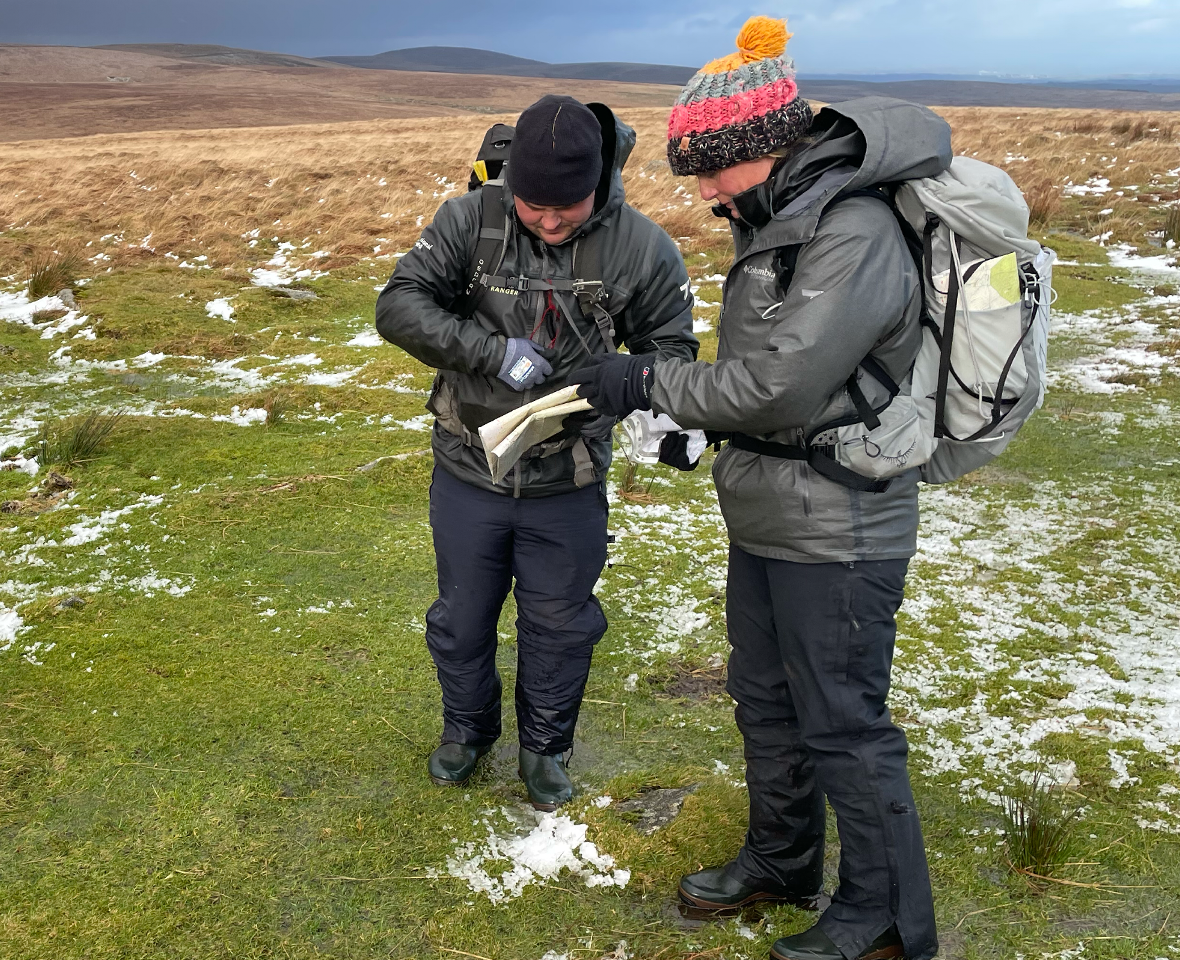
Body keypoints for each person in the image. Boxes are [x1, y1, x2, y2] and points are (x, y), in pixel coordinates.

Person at [567, 17, 945, 960]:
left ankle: (887, 918)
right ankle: (781, 861)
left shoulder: (850, 231)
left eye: (709, 169)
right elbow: (766, 383)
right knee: (767, 701)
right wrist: (697, 431)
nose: (699, 190)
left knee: (844, 724)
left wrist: (647, 383)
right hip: (774, 509)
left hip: (843, 525)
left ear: (762, 147)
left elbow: (781, 382)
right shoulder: (779, 219)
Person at [376, 94, 698, 810]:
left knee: (560, 625)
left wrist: (626, 383)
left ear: (599, 182)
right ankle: (467, 732)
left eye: (568, 208)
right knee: (460, 619)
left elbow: (671, 351)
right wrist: (491, 353)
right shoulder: (469, 221)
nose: (550, 222)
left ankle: (545, 751)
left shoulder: (642, 248)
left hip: (569, 477)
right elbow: (398, 304)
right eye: (533, 207)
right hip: (468, 468)